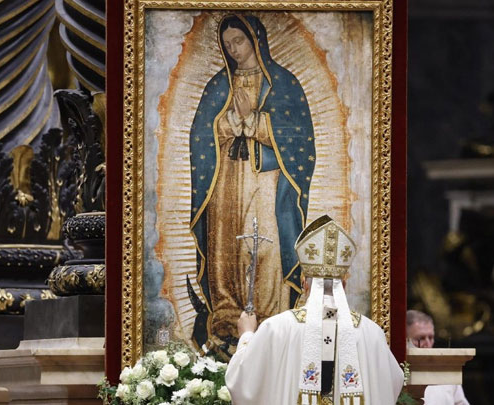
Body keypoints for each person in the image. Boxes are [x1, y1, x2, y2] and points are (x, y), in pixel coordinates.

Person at [189, 13, 316, 347]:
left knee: (264, 246)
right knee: (226, 247)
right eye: (227, 44)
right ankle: (228, 316)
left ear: (255, 40)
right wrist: (230, 123)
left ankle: (271, 318)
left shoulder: (282, 83)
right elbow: (201, 135)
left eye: (239, 41)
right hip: (226, 179)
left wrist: (255, 121)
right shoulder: (219, 85)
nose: (233, 50)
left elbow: (299, 140)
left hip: (266, 180)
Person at [225, 215, 404, 404]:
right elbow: (393, 382)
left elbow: (243, 381)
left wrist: (246, 334)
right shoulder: (371, 333)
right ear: (343, 285)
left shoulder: (276, 329)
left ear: (305, 284)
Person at [406, 310, 470, 405]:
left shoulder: (447, 372)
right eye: (421, 338)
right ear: (405, 340)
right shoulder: (399, 373)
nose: (427, 344)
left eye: (431, 338)